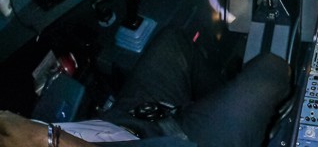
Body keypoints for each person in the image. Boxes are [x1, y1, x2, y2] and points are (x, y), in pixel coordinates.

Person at [0, 28, 291, 147]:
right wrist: (47, 139)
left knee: (173, 43)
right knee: (271, 71)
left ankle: (217, 102)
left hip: (123, 123)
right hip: (188, 142)